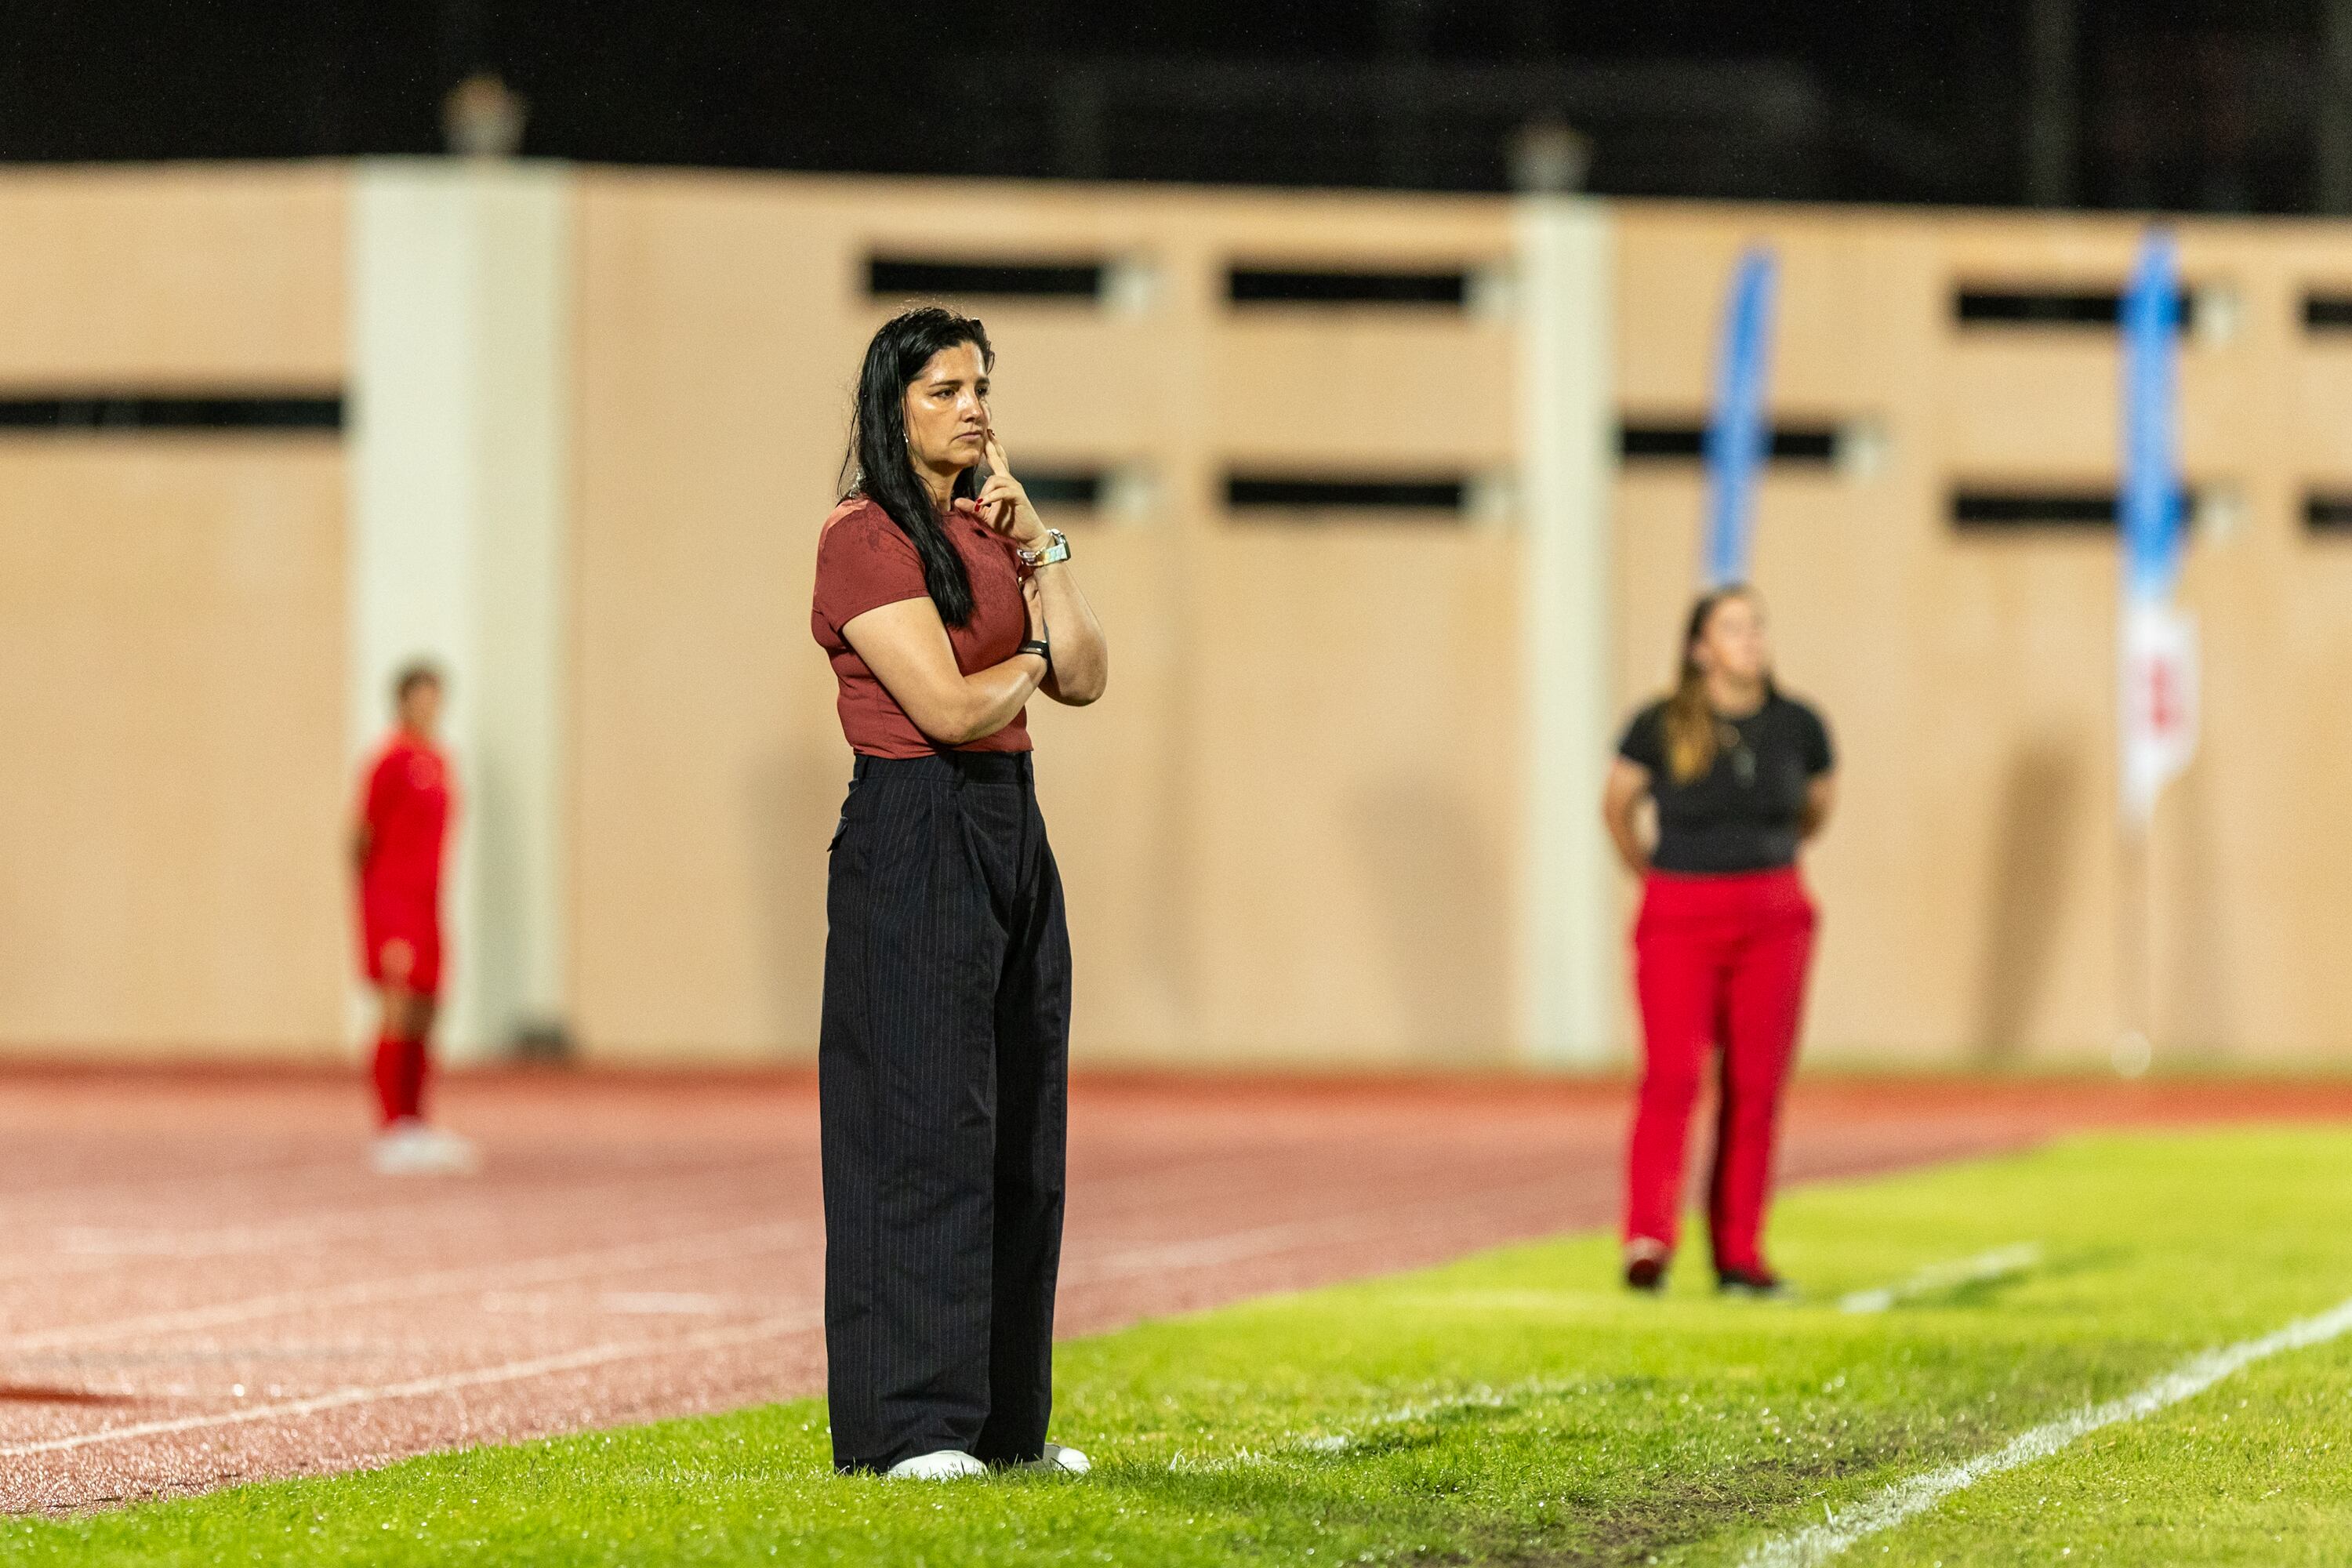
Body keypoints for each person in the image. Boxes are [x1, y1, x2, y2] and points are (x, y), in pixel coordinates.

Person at [809, 306, 1109, 1480]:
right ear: (896, 407)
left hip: (1009, 826)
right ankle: (911, 1428)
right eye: (945, 389)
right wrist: (1030, 662)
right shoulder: (861, 535)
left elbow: (1088, 671)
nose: (973, 406)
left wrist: (1043, 548)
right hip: (916, 825)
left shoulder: (991, 530)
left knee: (1022, 1134)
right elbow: (946, 707)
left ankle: (1003, 1429)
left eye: (979, 386)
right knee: (926, 1132)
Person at [1601, 586, 1835, 1297]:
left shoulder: (1798, 724)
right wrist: (1656, 874)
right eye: (1733, 627)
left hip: (1772, 909)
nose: (1751, 638)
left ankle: (1739, 1255)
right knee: (1673, 1076)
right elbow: (1616, 805)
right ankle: (1649, 1239)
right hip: (1680, 909)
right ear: (1700, 647)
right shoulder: (1660, 723)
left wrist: (1766, 862)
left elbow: (1816, 808)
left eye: (1757, 625)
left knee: (1756, 1087)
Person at [351, 662, 476, 1177]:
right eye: (420, 697)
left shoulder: (440, 760)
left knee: (428, 1007)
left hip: (428, 901)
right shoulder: (390, 760)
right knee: (397, 1007)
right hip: (392, 899)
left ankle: (418, 1123)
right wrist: (373, 900)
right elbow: (361, 835)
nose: (429, 706)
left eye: (436, 697)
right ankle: (390, 1128)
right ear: (401, 702)